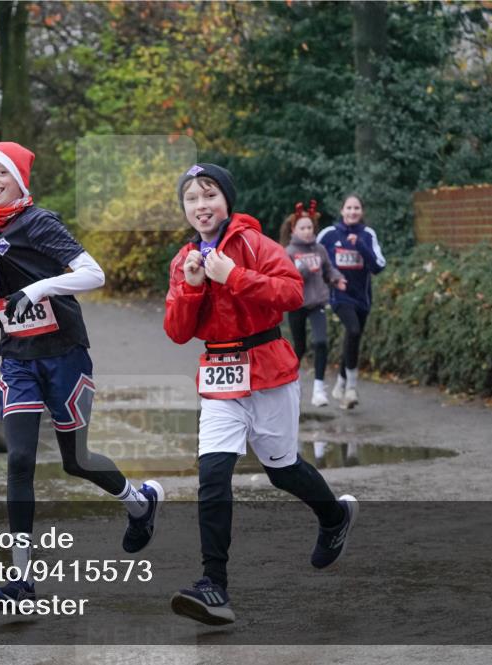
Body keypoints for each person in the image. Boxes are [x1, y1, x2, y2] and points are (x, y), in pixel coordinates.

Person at [164, 163, 357, 626]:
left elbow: (293, 293)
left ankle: (334, 518)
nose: (201, 205)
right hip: (218, 376)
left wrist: (232, 276)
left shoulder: (254, 242)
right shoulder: (183, 258)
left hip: (268, 369)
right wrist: (191, 288)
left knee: (282, 470)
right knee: (212, 475)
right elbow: (175, 331)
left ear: (226, 200)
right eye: (191, 198)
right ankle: (214, 586)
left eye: (208, 194)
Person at [0, 141, 163, 605]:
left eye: (1, 172)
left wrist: (37, 290)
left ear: (19, 178)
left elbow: (93, 273)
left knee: (76, 460)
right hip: (17, 358)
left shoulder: (40, 222)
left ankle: (140, 504)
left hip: (63, 354)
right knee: (18, 461)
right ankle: (22, 581)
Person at [316, 194, 386, 409]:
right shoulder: (329, 234)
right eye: (349, 208)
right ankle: (352, 389)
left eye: (356, 208)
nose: (353, 212)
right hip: (339, 296)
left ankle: (341, 381)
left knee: (353, 337)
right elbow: (313, 259)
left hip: (362, 298)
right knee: (353, 331)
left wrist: (362, 247)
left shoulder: (368, 234)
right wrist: (330, 279)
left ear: (361, 212)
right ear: (342, 211)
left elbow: (378, 266)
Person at [282, 200, 347, 407]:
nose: (307, 231)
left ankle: (319, 389)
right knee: (299, 347)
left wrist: (337, 278)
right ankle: (291, 385)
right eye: (303, 227)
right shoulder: (288, 252)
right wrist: (301, 270)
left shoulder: (319, 249)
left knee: (321, 342)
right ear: (294, 229)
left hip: (317, 301)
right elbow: (285, 278)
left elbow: (328, 269)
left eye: (310, 227)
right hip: (297, 304)